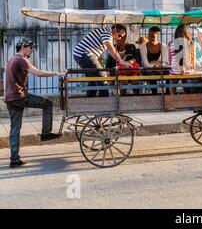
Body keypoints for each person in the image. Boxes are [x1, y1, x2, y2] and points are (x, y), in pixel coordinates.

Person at [4, 38, 66, 168]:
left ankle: (14, 159)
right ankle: (46, 134)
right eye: (30, 47)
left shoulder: (11, 60)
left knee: (15, 128)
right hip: (20, 96)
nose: (32, 50)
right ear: (23, 48)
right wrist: (57, 73)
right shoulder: (22, 60)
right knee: (47, 103)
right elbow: (38, 73)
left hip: (10, 98)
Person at [73, 24, 130, 97]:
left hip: (81, 55)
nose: (119, 38)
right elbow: (110, 46)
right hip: (84, 54)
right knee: (102, 76)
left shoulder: (105, 31)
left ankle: (90, 102)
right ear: (115, 30)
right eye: (119, 36)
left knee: (93, 78)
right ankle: (104, 101)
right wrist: (120, 60)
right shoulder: (107, 33)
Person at [139, 27, 170, 95]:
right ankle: (154, 95)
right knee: (152, 77)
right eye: (149, 35)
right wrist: (155, 67)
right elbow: (145, 63)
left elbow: (164, 61)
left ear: (158, 36)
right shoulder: (143, 47)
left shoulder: (163, 46)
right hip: (149, 69)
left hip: (161, 68)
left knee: (169, 74)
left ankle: (168, 93)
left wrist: (160, 66)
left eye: (153, 36)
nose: (150, 37)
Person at [168, 24, 196, 94]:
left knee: (172, 82)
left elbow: (170, 60)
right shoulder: (191, 44)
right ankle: (186, 96)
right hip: (188, 71)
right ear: (187, 33)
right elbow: (194, 60)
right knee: (186, 82)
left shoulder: (171, 44)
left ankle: (172, 96)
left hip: (175, 71)